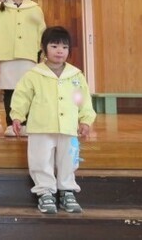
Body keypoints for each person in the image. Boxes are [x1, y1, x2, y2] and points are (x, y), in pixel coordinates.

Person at [11, 26, 96, 214]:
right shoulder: (34, 74)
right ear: (44, 48)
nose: (59, 51)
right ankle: (45, 192)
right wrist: (17, 116)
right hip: (41, 128)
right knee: (40, 160)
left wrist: (85, 120)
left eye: (64, 47)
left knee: (69, 160)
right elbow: (22, 97)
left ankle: (67, 190)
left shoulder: (75, 75)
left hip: (68, 128)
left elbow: (83, 99)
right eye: (54, 46)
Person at [0, 0, 46, 137]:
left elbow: (42, 33)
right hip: (6, 56)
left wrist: (42, 54)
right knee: (10, 90)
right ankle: (11, 124)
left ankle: (26, 123)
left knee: (27, 91)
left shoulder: (34, 8)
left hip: (28, 56)